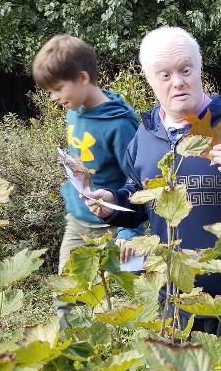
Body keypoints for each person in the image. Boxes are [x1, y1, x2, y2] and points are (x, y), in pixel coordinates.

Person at [84, 26, 221, 335]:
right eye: (164, 75)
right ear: (149, 78)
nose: (178, 82)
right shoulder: (145, 136)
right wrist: (113, 204)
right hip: (175, 294)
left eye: (185, 70)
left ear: (199, 67)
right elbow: (139, 197)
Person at [32, 34, 141, 327]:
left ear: (82, 78)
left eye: (57, 89)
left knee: (143, 291)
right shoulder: (74, 111)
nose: (54, 97)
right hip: (78, 223)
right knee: (67, 294)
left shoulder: (120, 125)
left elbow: (141, 182)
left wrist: (131, 233)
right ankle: (72, 354)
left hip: (115, 227)